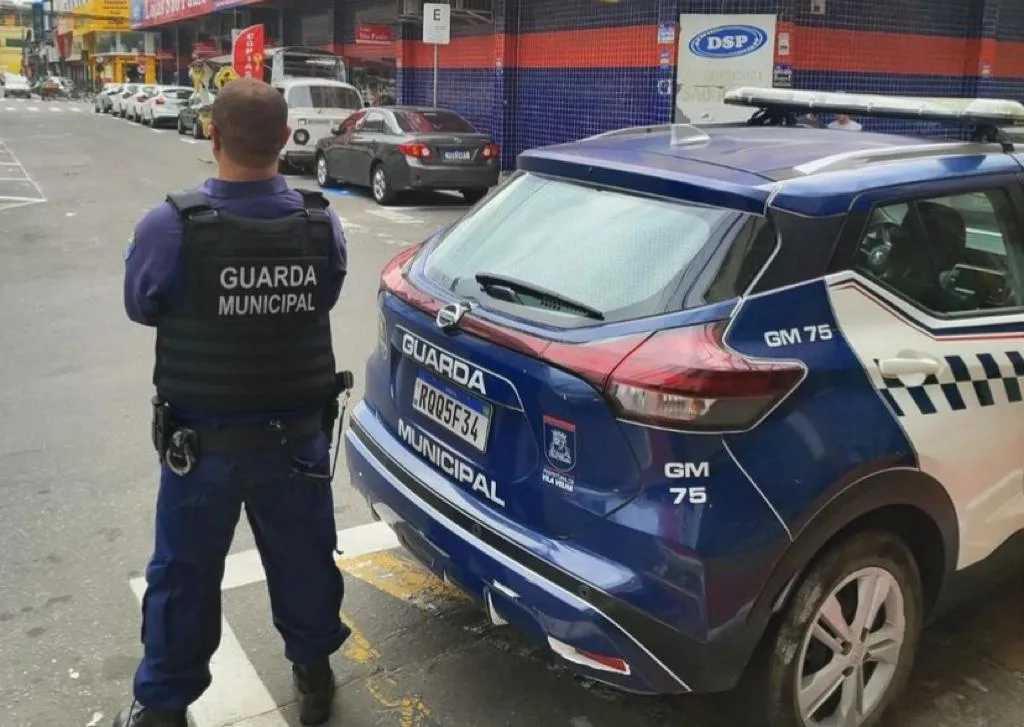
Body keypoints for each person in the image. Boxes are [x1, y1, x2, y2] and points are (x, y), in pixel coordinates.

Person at [113, 77, 352, 727]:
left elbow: (142, 305)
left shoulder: (170, 225)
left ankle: (163, 705)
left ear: (212, 136)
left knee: (184, 576)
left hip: (203, 448)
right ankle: (314, 672)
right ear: (284, 138)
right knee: (305, 562)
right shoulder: (318, 220)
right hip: (295, 441)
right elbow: (323, 295)